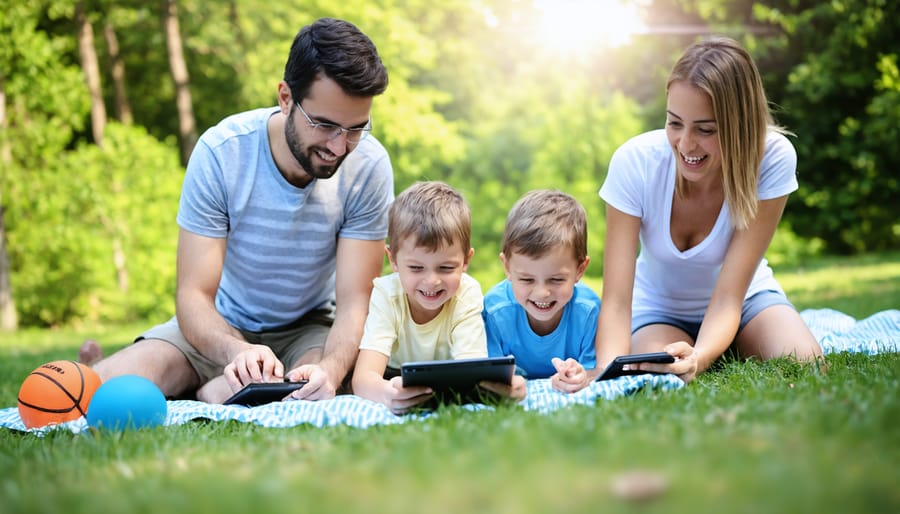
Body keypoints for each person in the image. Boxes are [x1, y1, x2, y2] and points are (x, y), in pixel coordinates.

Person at [78, 18, 392, 403]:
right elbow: (193, 295)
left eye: (356, 129)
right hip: (219, 326)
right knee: (87, 394)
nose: (340, 147)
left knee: (304, 391)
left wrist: (330, 371)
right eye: (325, 125)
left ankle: (212, 390)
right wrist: (235, 352)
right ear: (285, 97)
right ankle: (162, 376)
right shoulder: (222, 153)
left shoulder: (370, 167)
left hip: (308, 330)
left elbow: (355, 301)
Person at [595, 36, 823, 383]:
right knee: (660, 379)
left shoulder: (772, 158)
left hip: (746, 301)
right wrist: (605, 372)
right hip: (659, 310)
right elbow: (615, 301)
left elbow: (729, 297)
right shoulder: (635, 162)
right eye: (674, 123)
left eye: (706, 129)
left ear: (740, 126)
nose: (686, 144)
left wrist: (699, 356)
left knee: (806, 365)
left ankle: (725, 346)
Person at [352, 181, 500, 414]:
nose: (431, 281)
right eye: (416, 268)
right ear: (393, 260)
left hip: (450, 373)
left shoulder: (467, 292)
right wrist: (387, 393)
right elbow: (363, 379)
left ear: (466, 261)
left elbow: (471, 369)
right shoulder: (386, 293)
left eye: (445, 268)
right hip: (393, 374)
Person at [482, 190, 600, 394]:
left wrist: (581, 377)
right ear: (507, 267)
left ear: (580, 269)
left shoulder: (588, 311)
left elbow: (594, 372)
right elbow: (487, 378)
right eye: (527, 279)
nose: (542, 293)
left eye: (556, 279)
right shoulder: (494, 311)